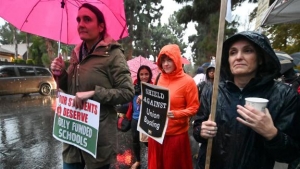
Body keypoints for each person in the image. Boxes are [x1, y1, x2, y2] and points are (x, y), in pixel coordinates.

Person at [193, 31, 300, 169]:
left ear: (261, 57)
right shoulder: (212, 91)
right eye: (232, 52)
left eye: (247, 51)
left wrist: (272, 134)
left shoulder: (284, 96)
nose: (238, 57)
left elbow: (291, 153)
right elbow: (197, 127)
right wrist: (201, 131)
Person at [50, 3, 134, 169]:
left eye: (87, 19)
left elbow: (127, 92)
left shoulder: (113, 54)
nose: (81, 24)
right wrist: (60, 74)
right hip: (72, 138)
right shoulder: (76, 53)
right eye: (79, 19)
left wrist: (93, 93)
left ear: (101, 26)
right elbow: (72, 89)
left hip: (97, 142)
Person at [148, 44, 200, 169]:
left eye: (169, 60)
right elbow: (155, 101)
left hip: (175, 137)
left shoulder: (188, 82)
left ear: (176, 59)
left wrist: (177, 114)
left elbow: (194, 107)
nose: (166, 64)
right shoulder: (158, 78)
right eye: (163, 60)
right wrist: (144, 100)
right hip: (156, 134)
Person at [125, 65, 153, 169]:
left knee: (148, 142)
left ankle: (153, 159)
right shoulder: (134, 87)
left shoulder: (153, 87)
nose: (144, 76)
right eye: (141, 74)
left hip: (147, 119)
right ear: (138, 75)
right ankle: (138, 161)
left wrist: (145, 96)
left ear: (150, 75)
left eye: (146, 74)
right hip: (135, 117)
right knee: (135, 140)